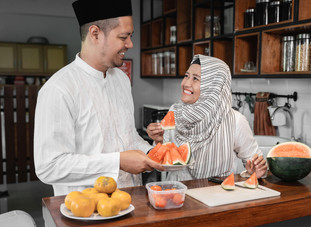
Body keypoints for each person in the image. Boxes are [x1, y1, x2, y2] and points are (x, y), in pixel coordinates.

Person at [34, 0, 163, 196]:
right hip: (85, 214)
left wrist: (152, 153)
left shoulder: (121, 79)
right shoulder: (59, 88)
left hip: (131, 201)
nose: (130, 44)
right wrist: (117, 161)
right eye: (123, 37)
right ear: (95, 34)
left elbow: (128, 138)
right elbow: (49, 166)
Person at [147, 55, 267, 181]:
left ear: (213, 86)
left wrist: (256, 171)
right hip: (176, 193)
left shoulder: (236, 121)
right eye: (186, 76)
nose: (186, 83)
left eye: (195, 79)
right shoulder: (174, 111)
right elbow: (164, 161)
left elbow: (257, 166)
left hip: (217, 195)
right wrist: (158, 141)